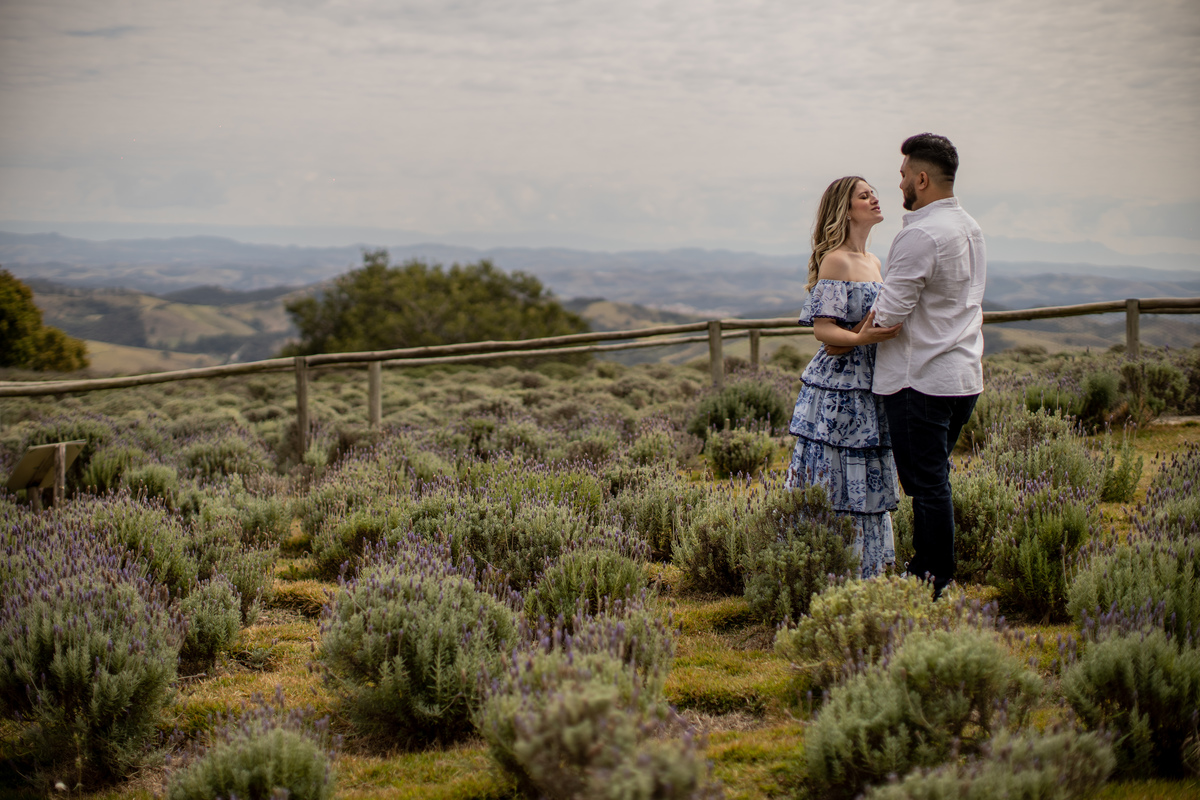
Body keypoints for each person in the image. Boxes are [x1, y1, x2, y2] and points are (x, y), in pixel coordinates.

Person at [870, 133, 987, 599]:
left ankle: (931, 578)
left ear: (921, 178)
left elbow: (890, 315)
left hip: (921, 381)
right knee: (934, 478)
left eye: (902, 175)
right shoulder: (970, 227)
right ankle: (931, 570)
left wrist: (842, 335)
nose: (898, 183)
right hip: (963, 376)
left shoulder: (919, 233)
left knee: (927, 484)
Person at [785, 176, 903, 579]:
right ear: (845, 208)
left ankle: (867, 567)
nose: (874, 199)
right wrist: (861, 337)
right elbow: (822, 329)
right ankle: (832, 565)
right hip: (840, 384)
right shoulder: (835, 259)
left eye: (873, 193)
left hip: (873, 380)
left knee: (866, 466)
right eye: (864, 195)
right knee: (836, 469)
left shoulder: (874, 262)